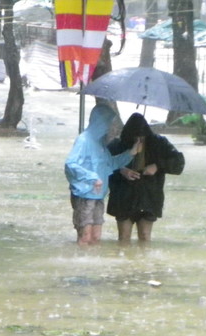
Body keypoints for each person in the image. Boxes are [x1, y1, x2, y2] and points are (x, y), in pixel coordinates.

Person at [65, 104, 142, 246]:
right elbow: (70, 164)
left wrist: (131, 152)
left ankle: (92, 265)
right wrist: (92, 177)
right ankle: (82, 264)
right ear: (98, 121)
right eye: (107, 122)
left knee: (96, 237)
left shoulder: (100, 143)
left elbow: (111, 164)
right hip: (84, 194)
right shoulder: (84, 140)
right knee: (85, 236)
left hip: (99, 195)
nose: (109, 126)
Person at [107, 112, 185, 243]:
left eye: (142, 137)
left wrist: (158, 166)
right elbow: (103, 164)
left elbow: (178, 162)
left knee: (144, 236)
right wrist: (122, 170)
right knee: (124, 238)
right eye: (135, 137)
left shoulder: (159, 143)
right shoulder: (117, 145)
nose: (139, 140)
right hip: (123, 197)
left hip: (149, 197)